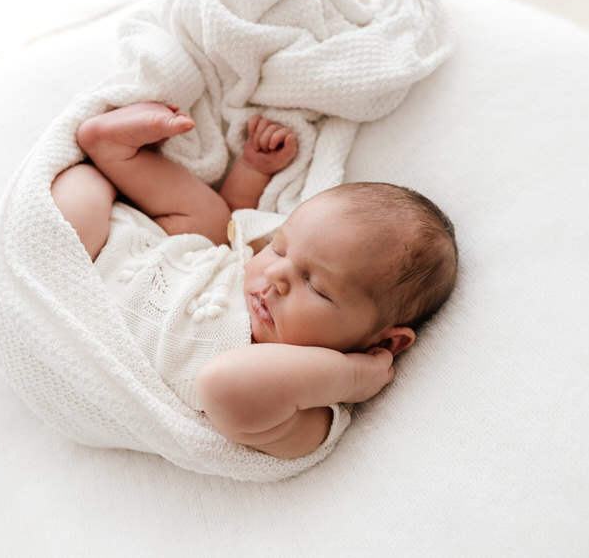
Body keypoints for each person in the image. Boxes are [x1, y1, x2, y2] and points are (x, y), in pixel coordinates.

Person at [51, 102, 458, 459]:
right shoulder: (255, 274)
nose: (276, 274)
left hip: (72, 299)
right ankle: (115, 154)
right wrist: (251, 169)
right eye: (279, 248)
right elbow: (235, 221)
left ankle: (98, 177)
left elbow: (229, 386)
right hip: (127, 245)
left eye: (316, 287)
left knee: (78, 200)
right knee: (212, 218)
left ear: (384, 343)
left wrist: (353, 376)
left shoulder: (311, 405)